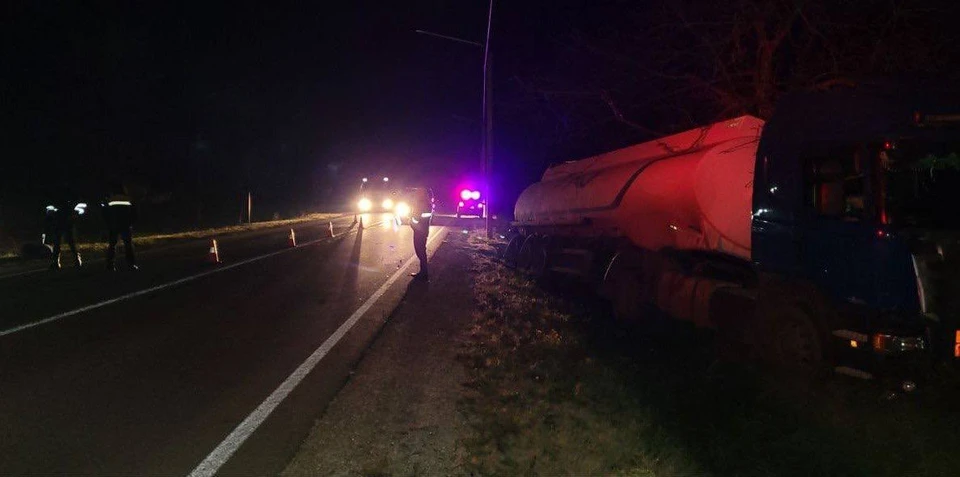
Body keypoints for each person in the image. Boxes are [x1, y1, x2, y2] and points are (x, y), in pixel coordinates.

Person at [102, 181, 138, 271]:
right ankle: (131, 264)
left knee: (112, 245)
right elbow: (134, 213)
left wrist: (108, 224)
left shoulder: (110, 200)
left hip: (113, 225)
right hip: (125, 225)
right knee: (128, 245)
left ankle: (110, 265)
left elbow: (105, 213)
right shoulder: (128, 199)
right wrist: (131, 223)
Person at [47, 186, 84, 270]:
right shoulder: (68, 193)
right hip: (64, 219)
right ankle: (76, 261)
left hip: (63, 219)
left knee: (61, 242)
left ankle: (58, 263)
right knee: (67, 241)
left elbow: (52, 206)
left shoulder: (59, 193)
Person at [406, 187, 434, 280]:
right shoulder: (419, 203)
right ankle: (423, 272)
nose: (417, 194)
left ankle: (424, 274)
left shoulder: (427, 204)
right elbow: (415, 213)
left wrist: (414, 220)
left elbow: (423, 217)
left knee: (421, 252)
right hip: (417, 231)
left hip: (422, 231)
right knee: (419, 251)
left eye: (419, 192)